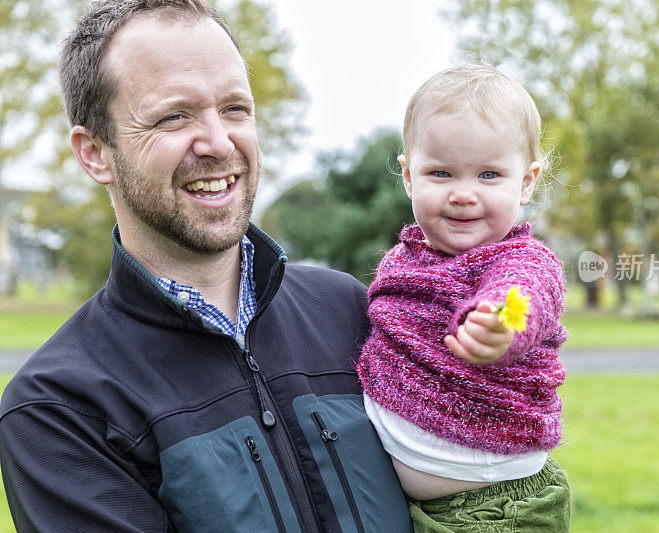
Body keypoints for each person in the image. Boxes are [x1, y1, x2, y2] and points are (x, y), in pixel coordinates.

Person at [0, 1, 412, 531]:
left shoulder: (351, 310)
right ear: (95, 153)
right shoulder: (61, 410)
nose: (219, 143)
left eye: (236, 109)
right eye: (175, 115)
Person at [357, 65, 571, 531]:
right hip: (408, 506)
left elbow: (523, 296)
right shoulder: (404, 260)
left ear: (528, 181)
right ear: (409, 176)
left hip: (493, 510)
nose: (463, 194)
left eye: (489, 174)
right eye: (441, 173)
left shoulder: (522, 259)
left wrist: (503, 323)